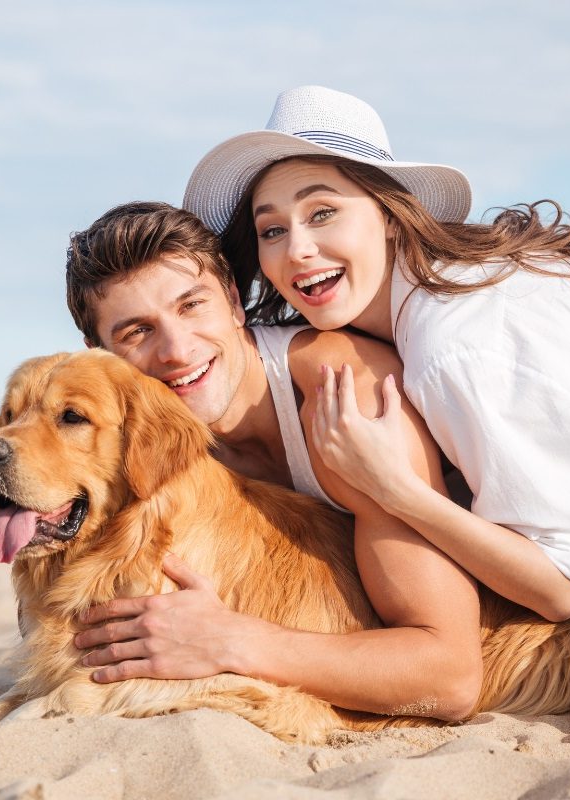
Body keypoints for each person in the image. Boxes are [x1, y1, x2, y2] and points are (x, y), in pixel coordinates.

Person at [181, 85, 570, 723]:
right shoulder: (436, 296)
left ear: (390, 215)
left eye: (322, 213)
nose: (297, 250)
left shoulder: (454, 347)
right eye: (272, 229)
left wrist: (395, 489)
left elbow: (559, 592)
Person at [64, 200, 484, 721]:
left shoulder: (343, 396)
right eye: (137, 332)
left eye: (192, 305)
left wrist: (229, 639)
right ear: (98, 357)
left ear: (235, 302)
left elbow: (450, 677)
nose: (176, 349)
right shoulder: (150, 444)